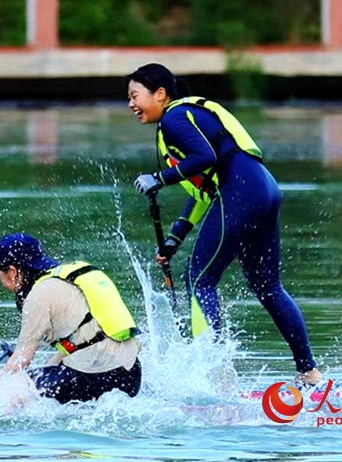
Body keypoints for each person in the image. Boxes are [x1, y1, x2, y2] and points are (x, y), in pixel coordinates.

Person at [127, 62, 321, 386]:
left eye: (135, 95)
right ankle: (308, 372)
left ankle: (217, 376)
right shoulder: (184, 117)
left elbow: (205, 158)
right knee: (268, 287)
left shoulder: (174, 117)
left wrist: (159, 178)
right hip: (264, 190)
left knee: (199, 280)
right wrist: (175, 238)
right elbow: (203, 190)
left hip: (242, 193)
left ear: (160, 94)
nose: (130, 104)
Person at [0, 232, 142, 404]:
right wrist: (47, 371)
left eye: (1, 277)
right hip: (130, 375)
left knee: (15, 389)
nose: (3, 284)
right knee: (39, 382)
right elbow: (79, 344)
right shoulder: (69, 279)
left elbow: (22, 358)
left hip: (99, 377)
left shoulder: (37, 297)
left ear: (12, 272)